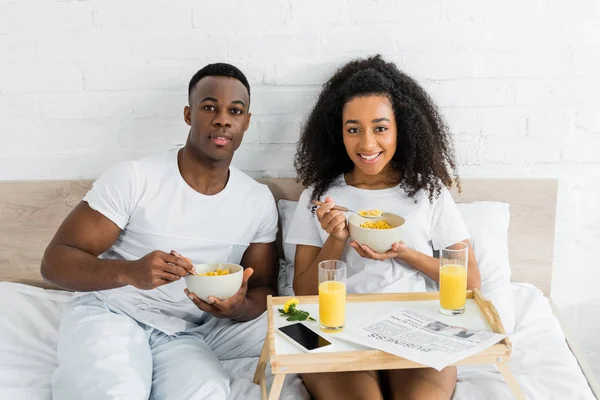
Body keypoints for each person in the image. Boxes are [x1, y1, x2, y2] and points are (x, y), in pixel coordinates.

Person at [41, 63, 279, 400]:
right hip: (111, 312)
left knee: (208, 392)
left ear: (246, 122)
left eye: (235, 111)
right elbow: (54, 262)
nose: (223, 119)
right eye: (209, 107)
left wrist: (235, 308)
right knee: (114, 392)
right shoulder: (136, 178)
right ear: (188, 114)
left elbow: (263, 288)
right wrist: (130, 271)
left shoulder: (256, 201)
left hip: (181, 334)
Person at [286, 55, 481, 400]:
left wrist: (404, 253)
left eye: (380, 128)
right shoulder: (319, 197)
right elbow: (302, 295)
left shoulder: (428, 190)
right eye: (354, 130)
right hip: (335, 327)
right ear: (339, 133)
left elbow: (471, 282)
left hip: (415, 324)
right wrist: (336, 238)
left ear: (399, 128)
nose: (367, 144)